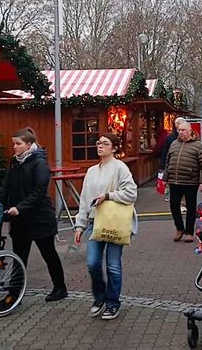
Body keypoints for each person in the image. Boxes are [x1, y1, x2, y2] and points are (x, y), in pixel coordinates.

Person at [0, 128, 67, 303]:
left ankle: (60, 287)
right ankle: (14, 294)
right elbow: (6, 186)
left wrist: (20, 207)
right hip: (20, 220)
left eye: (18, 143)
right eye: (14, 143)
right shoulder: (15, 161)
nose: (14, 147)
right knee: (19, 257)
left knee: (48, 253)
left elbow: (39, 191)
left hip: (39, 218)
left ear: (29, 145)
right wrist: (1, 204)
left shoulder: (39, 163)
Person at [74, 133, 138, 320]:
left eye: (105, 143)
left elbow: (131, 193)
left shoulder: (120, 168)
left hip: (114, 222)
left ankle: (112, 303)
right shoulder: (92, 171)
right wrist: (80, 225)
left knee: (113, 266)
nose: (100, 146)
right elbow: (84, 200)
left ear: (114, 147)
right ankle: (99, 297)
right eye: (98, 143)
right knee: (92, 263)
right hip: (95, 222)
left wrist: (109, 196)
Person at [164, 122, 202, 243]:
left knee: (190, 207)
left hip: (190, 181)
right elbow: (168, 162)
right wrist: (165, 178)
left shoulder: (198, 145)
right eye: (179, 130)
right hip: (174, 181)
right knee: (174, 205)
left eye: (183, 130)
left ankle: (189, 232)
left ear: (190, 131)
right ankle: (179, 228)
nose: (181, 132)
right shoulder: (174, 143)